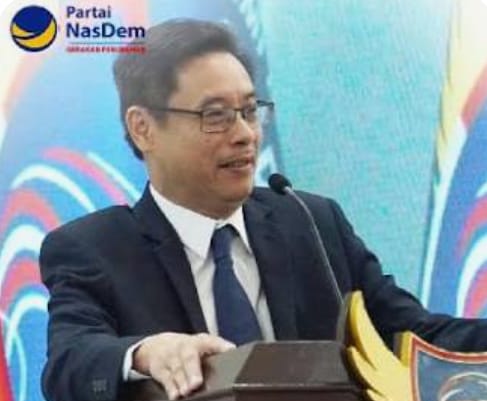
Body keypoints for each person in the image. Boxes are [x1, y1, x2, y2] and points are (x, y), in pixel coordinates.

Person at [39, 18, 487, 401]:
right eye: (216, 115)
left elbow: (415, 337)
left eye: (250, 111)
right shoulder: (94, 249)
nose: (244, 135)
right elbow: (69, 362)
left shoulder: (311, 223)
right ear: (143, 128)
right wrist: (145, 353)